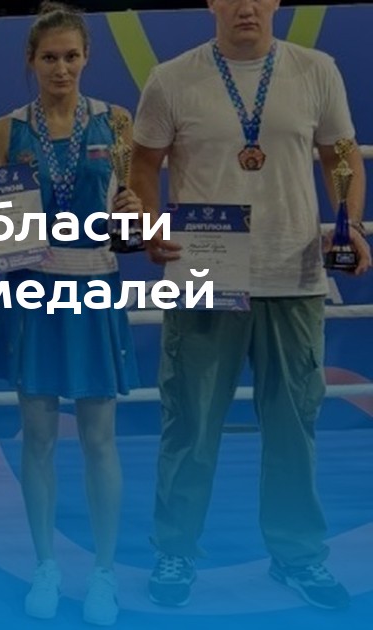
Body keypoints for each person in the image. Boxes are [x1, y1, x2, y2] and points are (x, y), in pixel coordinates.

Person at [131, 0, 368, 611]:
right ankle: (175, 548)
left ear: (275, 2)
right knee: (190, 423)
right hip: (205, 275)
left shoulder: (316, 69)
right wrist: (150, 225)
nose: (245, 6)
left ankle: (298, 556)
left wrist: (347, 223)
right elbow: (144, 164)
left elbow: (341, 154)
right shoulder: (171, 77)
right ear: (211, 3)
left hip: (293, 275)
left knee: (293, 428)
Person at [0, 3, 140, 625]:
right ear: (31, 60)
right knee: (40, 437)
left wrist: (133, 213)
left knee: (100, 438)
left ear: (87, 57)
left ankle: (104, 572)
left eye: (72, 56)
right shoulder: (5, 130)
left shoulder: (115, 121)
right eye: (49, 57)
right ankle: (45, 564)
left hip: (95, 284)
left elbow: (134, 213)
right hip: (32, 290)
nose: (61, 68)